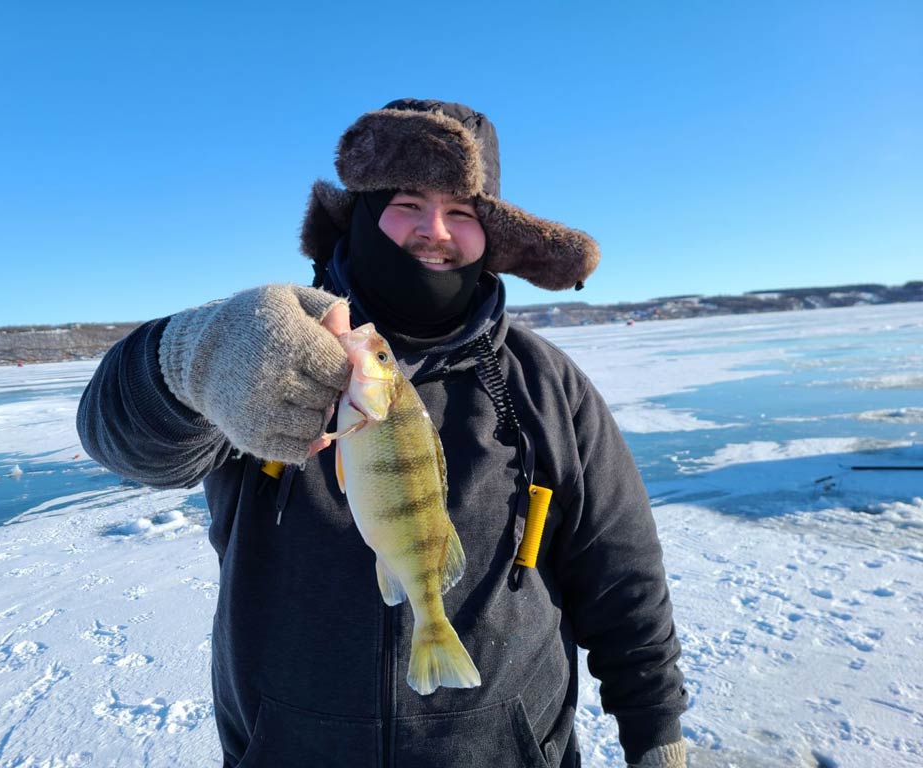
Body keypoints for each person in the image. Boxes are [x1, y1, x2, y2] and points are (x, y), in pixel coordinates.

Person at [77, 98, 688, 767]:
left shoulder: (544, 380)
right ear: (361, 217)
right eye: (407, 204)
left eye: (462, 211)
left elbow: (620, 569)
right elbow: (124, 444)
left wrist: (655, 733)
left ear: (490, 232)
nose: (437, 231)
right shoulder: (267, 353)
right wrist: (185, 358)